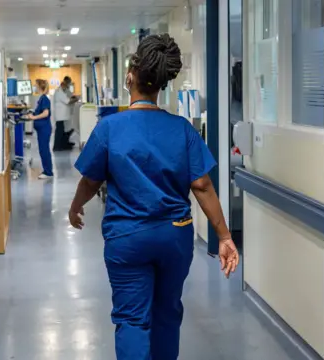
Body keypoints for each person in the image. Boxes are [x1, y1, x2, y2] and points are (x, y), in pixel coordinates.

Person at [68, 34, 239, 360]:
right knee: (166, 314)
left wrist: (76, 207)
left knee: (132, 319)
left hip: (128, 237)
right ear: (161, 84)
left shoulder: (109, 128)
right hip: (175, 236)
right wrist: (224, 236)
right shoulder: (182, 129)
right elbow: (202, 185)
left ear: (130, 76)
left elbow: (90, 182)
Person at [24, 79, 53, 179]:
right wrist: (33, 113)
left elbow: (46, 113)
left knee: (44, 150)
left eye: (36, 85)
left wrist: (33, 117)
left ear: (40, 87)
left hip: (44, 129)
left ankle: (48, 172)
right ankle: (47, 170)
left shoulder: (44, 99)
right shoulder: (41, 98)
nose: (35, 87)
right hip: (42, 129)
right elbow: (40, 111)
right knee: (43, 150)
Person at [53, 76, 78, 151]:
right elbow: (68, 101)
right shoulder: (59, 92)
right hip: (60, 116)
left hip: (64, 116)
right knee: (59, 132)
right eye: (68, 84)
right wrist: (75, 99)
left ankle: (63, 144)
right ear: (64, 83)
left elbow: (70, 95)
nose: (68, 86)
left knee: (62, 131)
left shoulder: (64, 90)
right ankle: (57, 147)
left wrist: (74, 97)